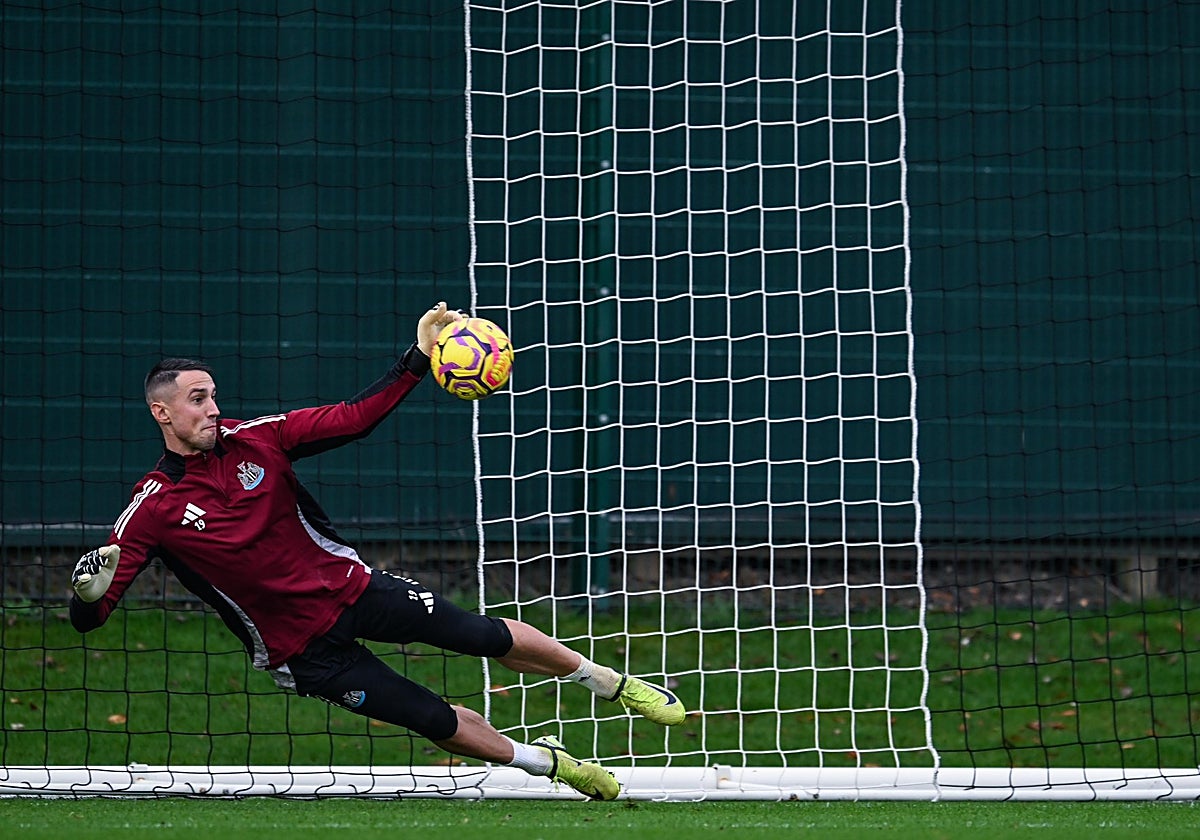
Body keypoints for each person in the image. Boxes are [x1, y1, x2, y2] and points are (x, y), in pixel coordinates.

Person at [68, 302, 685, 801]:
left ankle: (608, 682)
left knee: (482, 634)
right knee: (431, 718)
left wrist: (417, 356)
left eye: (212, 395)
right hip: (301, 652)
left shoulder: (258, 441)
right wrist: (84, 593)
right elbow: (93, 614)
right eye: (197, 399)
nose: (214, 408)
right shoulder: (150, 509)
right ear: (162, 412)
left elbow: (354, 418)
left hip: (355, 592)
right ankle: (552, 765)